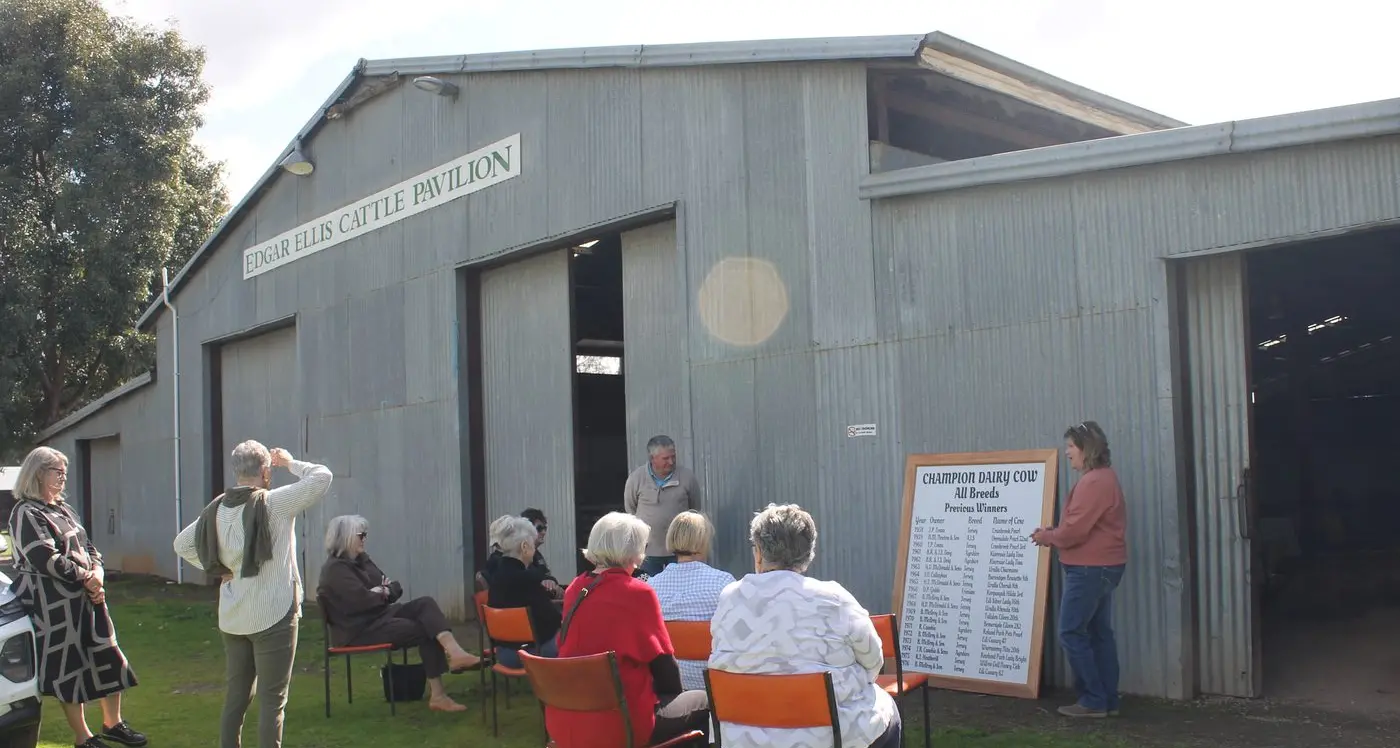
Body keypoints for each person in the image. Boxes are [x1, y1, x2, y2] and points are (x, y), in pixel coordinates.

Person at [173, 442, 332, 748]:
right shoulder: (274, 503)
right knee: (273, 699)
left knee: (237, 696)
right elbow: (322, 477)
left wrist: (217, 567)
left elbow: (182, 544)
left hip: (233, 615)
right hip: (273, 612)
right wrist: (290, 462)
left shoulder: (216, 509)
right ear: (264, 471)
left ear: (236, 470)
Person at [709, 503, 900, 748]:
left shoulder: (729, 599)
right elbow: (874, 660)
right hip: (824, 737)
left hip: (739, 736)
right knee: (887, 711)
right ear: (808, 554)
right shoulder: (834, 599)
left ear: (758, 553)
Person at [8, 447, 145, 748]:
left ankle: (114, 723)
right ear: (38, 473)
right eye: (57, 472)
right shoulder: (26, 513)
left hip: (88, 598)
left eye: (64, 472)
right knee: (67, 669)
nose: (63, 478)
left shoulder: (63, 509)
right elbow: (45, 557)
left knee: (108, 654)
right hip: (54, 606)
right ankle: (83, 738)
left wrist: (98, 572)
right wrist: (87, 578)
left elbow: (89, 547)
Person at [546, 512, 709, 748]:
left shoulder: (575, 589)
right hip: (621, 725)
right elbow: (665, 667)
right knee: (702, 700)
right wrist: (674, 694)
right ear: (633, 551)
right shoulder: (638, 593)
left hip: (566, 720)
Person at [317, 515, 482, 712]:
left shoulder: (363, 561)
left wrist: (382, 591)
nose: (364, 539)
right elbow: (362, 601)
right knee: (425, 629)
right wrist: (379, 592)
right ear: (344, 538)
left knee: (426, 604)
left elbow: (395, 587)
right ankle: (438, 696)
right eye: (360, 535)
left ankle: (456, 653)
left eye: (365, 534)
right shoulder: (335, 570)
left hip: (382, 615)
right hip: (359, 630)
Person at [1033, 421, 1129, 719]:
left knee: (1071, 632)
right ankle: (1106, 699)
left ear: (1086, 449)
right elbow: (1080, 525)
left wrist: (1046, 536)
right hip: (1101, 567)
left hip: (1090, 569)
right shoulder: (1102, 478)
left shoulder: (1094, 482)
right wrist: (1056, 531)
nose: (1067, 453)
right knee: (1099, 632)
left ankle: (1093, 700)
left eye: (1071, 447)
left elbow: (1074, 531)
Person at [647, 511, 735, 691]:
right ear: (704, 542)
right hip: (713, 689)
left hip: (669, 690)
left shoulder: (652, 587)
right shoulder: (724, 584)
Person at [485, 517, 561, 667]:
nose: (534, 550)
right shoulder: (528, 580)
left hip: (503, 653)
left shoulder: (495, 576)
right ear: (525, 546)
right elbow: (551, 620)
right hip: (533, 654)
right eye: (533, 545)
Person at [623, 436, 703, 577]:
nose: (671, 462)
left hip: (680, 550)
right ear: (652, 458)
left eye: (673, 457)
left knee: (680, 585)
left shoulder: (687, 477)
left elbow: (695, 510)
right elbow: (630, 510)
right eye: (666, 458)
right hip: (648, 552)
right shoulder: (636, 479)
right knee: (650, 589)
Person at [481, 509, 560, 598]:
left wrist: (550, 581)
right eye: (539, 528)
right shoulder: (501, 566)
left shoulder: (532, 556)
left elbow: (543, 574)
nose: (543, 532)